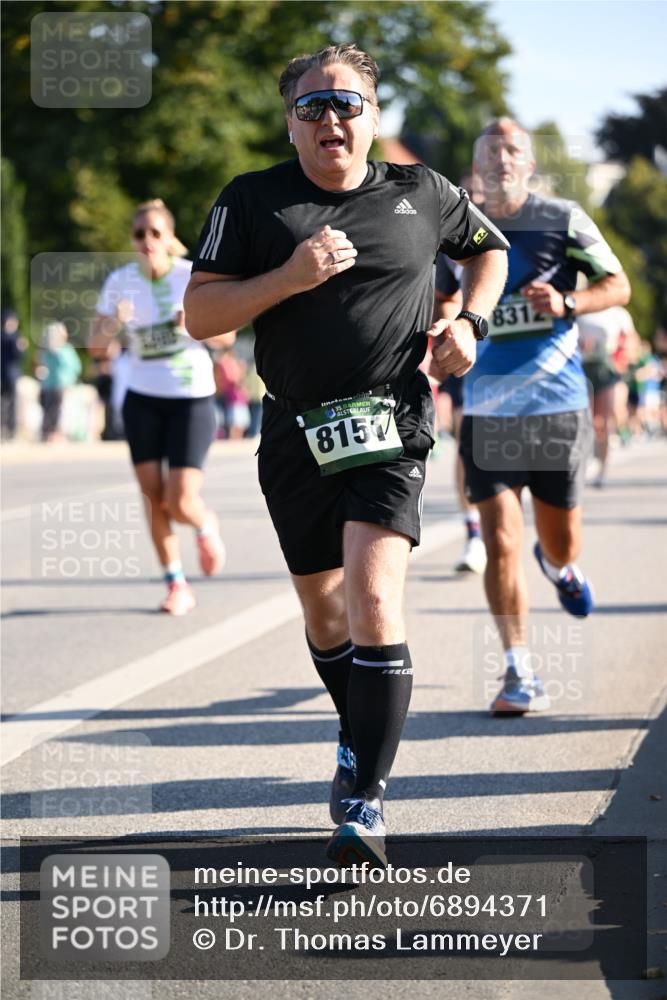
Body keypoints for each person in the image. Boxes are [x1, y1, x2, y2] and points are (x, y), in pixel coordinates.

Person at [184, 43, 508, 867]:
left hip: (390, 426)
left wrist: (469, 321)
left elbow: (489, 251)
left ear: (372, 116)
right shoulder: (252, 201)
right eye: (312, 106)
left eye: (347, 104)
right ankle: (354, 727)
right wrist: (288, 277)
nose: (331, 118)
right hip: (293, 428)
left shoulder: (423, 192)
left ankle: (363, 798)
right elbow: (199, 315)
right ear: (289, 122)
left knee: (372, 600)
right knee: (326, 617)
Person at [432, 118, 630, 716]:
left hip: (556, 409)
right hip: (488, 408)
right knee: (498, 540)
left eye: (511, 149)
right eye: (487, 150)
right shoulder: (457, 228)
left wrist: (569, 301)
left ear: (529, 164)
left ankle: (560, 566)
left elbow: (617, 284)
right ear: (477, 166)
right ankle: (519, 671)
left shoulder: (562, 218)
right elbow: (442, 294)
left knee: (558, 540)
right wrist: (450, 320)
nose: (499, 158)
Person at [91, 199, 229, 616]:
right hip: (142, 398)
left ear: (170, 238)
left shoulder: (193, 277)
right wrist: (113, 323)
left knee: (180, 499)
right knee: (153, 498)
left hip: (190, 399)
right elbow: (97, 348)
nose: (148, 241)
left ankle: (204, 525)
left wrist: (194, 322)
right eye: (140, 234)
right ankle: (176, 584)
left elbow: (225, 338)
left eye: (155, 233)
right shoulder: (120, 283)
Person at [433, 254, 487, 573]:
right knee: (467, 443)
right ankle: (474, 535)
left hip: (520, 365)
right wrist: (456, 332)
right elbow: (443, 298)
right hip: (473, 360)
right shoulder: (452, 229)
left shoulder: (531, 225)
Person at [577, 306, 636, 486]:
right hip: (582, 368)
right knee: (587, 421)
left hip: (607, 370)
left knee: (604, 420)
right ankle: (585, 461)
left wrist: (622, 360)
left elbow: (631, 340)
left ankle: (602, 469)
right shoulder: (580, 306)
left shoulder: (617, 313)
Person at [37, 321, 82, 441]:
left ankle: (52, 433)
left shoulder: (60, 350)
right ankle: (50, 433)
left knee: (54, 411)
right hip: (54, 385)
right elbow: (75, 367)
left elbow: (75, 367)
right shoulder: (59, 350)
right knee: (52, 411)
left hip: (57, 385)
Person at [1, 309, 24, 440]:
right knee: (6, 403)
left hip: (10, 374)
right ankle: (7, 429)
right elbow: (18, 354)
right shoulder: (14, 337)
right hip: (7, 374)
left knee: (11, 403)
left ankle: (9, 429)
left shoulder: (15, 336)